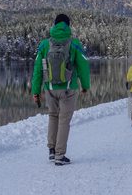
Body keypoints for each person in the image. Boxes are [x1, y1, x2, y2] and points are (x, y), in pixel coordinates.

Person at [32, 14, 90, 166]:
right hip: (68, 89)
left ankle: (52, 150)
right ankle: (60, 155)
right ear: (68, 25)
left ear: (55, 25)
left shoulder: (45, 44)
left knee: (53, 116)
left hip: (49, 88)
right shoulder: (74, 43)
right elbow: (83, 66)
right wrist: (85, 85)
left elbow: (38, 69)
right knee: (64, 120)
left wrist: (35, 91)